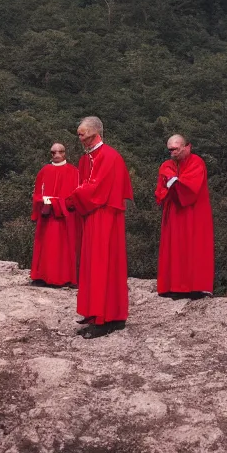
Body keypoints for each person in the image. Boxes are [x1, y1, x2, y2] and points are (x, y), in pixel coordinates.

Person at [66, 116, 132, 339]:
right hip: (92, 216)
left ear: (95, 133)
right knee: (92, 263)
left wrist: (73, 197)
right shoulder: (89, 158)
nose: (80, 137)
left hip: (105, 217)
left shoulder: (109, 156)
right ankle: (94, 312)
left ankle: (108, 317)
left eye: (82, 133)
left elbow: (96, 189)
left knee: (103, 263)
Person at [154, 134, 214, 299]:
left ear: (188, 147)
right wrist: (171, 185)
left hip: (194, 213)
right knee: (174, 247)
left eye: (176, 149)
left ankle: (195, 287)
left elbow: (190, 187)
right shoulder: (167, 165)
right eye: (170, 150)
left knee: (194, 248)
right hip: (173, 213)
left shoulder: (197, 162)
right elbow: (161, 190)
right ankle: (172, 286)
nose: (173, 152)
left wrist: (175, 182)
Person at [29, 142, 81, 288]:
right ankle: (42, 276)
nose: (57, 155)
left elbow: (77, 196)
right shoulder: (43, 171)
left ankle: (66, 278)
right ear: (50, 154)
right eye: (53, 152)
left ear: (65, 153)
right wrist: (47, 201)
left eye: (60, 151)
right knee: (46, 247)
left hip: (66, 217)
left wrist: (59, 203)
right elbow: (37, 194)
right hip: (47, 216)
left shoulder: (75, 172)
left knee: (65, 248)